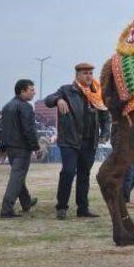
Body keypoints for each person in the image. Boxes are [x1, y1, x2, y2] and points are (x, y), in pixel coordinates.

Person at [44, 62, 111, 220]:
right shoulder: (66, 90)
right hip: (70, 140)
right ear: (77, 75)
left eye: (90, 73)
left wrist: (105, 132)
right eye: (85, 73)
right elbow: (48, 100)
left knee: (84, 174)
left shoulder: (96, 92)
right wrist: (58, 100)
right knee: (68, 172)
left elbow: (104, 115)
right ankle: (61, 207)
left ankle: (83, 208)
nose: (89, 76)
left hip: (89, 141)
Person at [0, 79, 41, 218]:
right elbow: (29, 129)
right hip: (22, 148)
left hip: (11, 148)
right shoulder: (26, 107)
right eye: (31, 90)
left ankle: (26, 202)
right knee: (17, 178)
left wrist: (2, 149)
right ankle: (7, 209)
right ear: (22, 91)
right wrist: (36, 147)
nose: (34, 92)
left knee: (18, 176)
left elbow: (2, 130)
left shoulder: (6, 107)